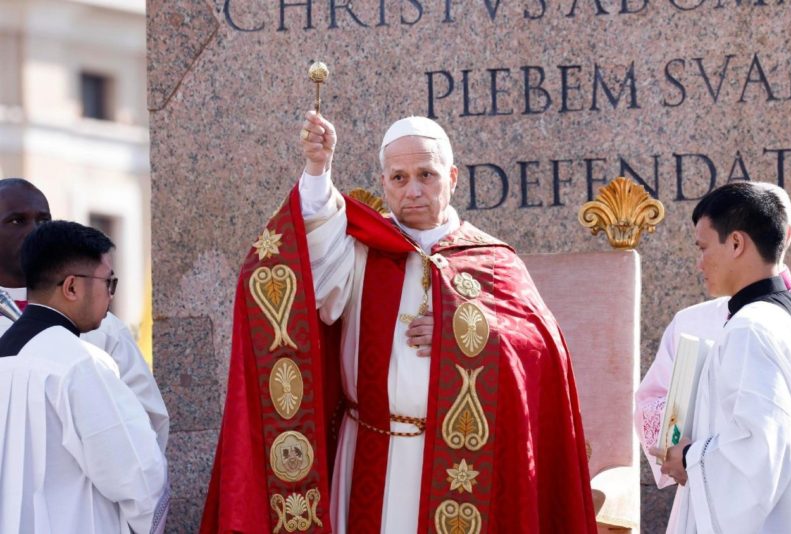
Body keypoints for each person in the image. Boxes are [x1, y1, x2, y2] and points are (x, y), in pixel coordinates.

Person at [200, 112, 596, 533]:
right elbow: (304, 268)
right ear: (384, 183)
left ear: (452, 178)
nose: (413, 190)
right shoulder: (360, 249)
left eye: (426, 175)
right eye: (399, 178)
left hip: (464, 467)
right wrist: (318, 170)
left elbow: (538, 350)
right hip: (367, 448)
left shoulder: (492, 261)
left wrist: (462, 337)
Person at [650, 182, 791, 532]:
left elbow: (762, 447)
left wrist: (689, 458)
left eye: (703, 247)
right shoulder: (787, 317)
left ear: (736, 243)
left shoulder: (750, 329)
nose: (699, 263)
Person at [0, 221, 168, 533]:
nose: (111, 295)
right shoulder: (80, 363)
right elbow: (140, 478)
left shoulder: (5, 355)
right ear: (72, 287)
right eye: (109, 282)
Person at [0, 177, 169, 452]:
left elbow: (147, 419)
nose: (34, 231)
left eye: (44, 221)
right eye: (17, 221)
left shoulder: (103, 326)